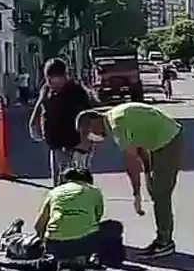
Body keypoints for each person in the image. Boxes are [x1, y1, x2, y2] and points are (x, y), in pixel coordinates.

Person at [76, 102, 182, 259]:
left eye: (88, 132)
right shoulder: (113, 117)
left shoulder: (118, 126)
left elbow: (131, 163)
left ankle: (164, 243)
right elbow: (140, 146)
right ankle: (163, 238)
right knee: (156, 190)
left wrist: (136, 194)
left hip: (168, 142)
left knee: (161, 194)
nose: (92, 136)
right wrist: (147, 172)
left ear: (94, 122)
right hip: (159, 141)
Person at [29, 58, 94, 187]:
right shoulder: (46, 90)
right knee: (59, 179)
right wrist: (33, 124)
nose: (54, 85)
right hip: (56, 142)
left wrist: (85, 144)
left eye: (58, 80)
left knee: (78, 179)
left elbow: (89, 118)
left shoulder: (78, 92)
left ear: (66, 77)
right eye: (51, 80)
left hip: (76, 143)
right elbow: (40, 105)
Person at [34, 167, 104, 271]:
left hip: (54, 242)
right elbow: (97, 217)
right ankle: (83, 257)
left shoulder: (54, 192)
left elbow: (38, 225)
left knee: (66, 240)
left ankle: (65, 260)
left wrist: (43, 242)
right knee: (112, 227)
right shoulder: (94, 191)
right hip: (83, 241)